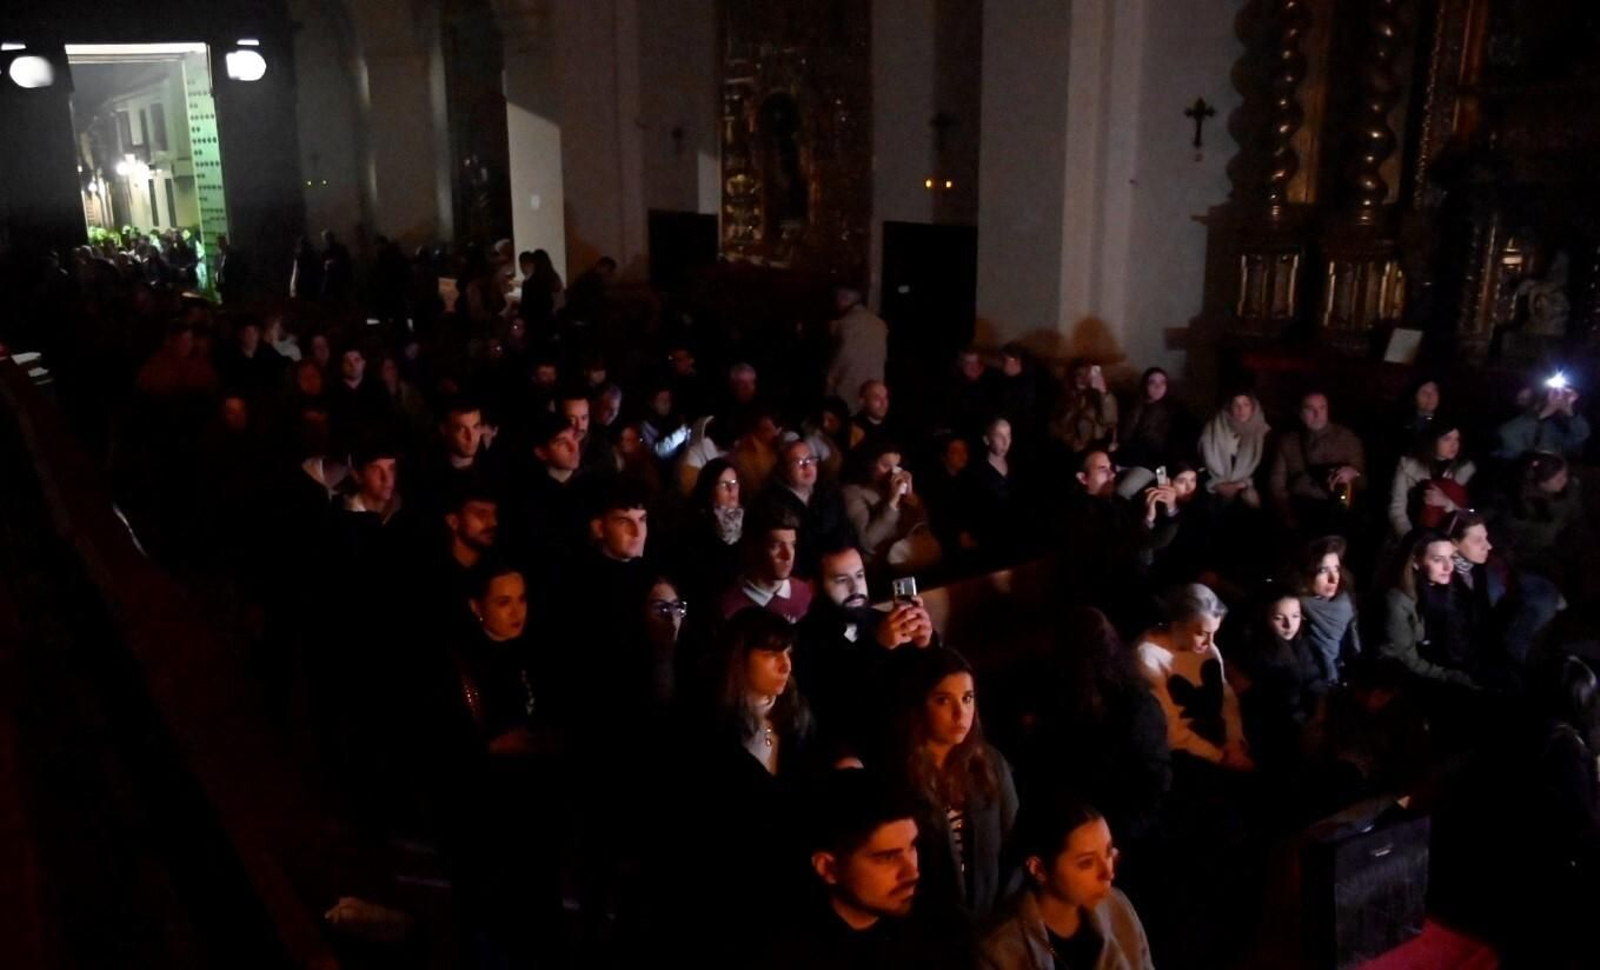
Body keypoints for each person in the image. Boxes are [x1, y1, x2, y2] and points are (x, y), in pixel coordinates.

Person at [768, 768, 969, 969]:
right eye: (888, 857)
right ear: (828, 868)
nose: (912, 872)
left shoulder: (941, 932)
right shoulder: (785, 952)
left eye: (912, 847)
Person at [1012, 608, 1171, 852]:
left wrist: (1111, 842)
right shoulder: (1050, 700)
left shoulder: (1134, 707)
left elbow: (1149, 785)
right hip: (1068, 825)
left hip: (1118, 831)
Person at [888, 648, 1019, 923]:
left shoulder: (989, 763)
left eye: (967, 698)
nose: (960, 713)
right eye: (943, 700)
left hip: (991, 924)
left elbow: (1014, 846)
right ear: (919, 705)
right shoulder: (899, 773)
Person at [979, 796, 1154, 970]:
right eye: (1086, 863)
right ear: (1038, 869)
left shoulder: (1118, 909)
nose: (1108, 873)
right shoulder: (1000, 949)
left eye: (1108, 852)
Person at [796, 544, 935, 756]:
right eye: (842, 581)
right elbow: (835, 707)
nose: (855, 589)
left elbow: (924, 682)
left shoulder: (885, 621)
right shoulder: (803, 639)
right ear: (815, 588)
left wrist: (925, 644)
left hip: (909, 743)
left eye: (860, 576)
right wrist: (877, 647)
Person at [1135, 584, 1252, 772]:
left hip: (1223, 744)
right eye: (1201, 634)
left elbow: (1227, 699)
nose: (1210, 642)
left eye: (1215, 633)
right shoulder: (1148, 656)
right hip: (1185, 755)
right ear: (1178, 623)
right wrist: (1220, 757)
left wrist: (1234, 741)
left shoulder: (1208, 649)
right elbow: (1170, 729)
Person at [1379, 530, 1490, 691]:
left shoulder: (1446, 588)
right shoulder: (1398, 602)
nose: (1448, 567)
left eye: (1451, 557)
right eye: (1438, 560)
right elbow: (1409, 661)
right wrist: (1453, 676)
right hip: (1404, 679)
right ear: (1415, 562)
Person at [1231, 590, 1326, 774]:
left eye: (1295, 616)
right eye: (1278, 618)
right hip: (1274, 734)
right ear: (1265, 618)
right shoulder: (1256, 652)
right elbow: (1264, 702)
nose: (1289, 624)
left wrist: (1319, 715)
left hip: (1303, 723)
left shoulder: (1301, 644)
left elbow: (1314, 682)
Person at [1268, 391, 1365, 536]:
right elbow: (1276, 485)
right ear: (1300, 413)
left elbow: (1363, 481)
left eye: (1322, 408)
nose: (1317, 414)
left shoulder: (1347, 439)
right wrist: (1288, 516)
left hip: (1334, 513)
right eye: (1310, 409)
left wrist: (1352, 473)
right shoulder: (1288, 442)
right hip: (1298, 510)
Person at [760, 437, 855, 576]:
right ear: (783, 468)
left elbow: (844, 529)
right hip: (804, 576)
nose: (807, 466)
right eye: (799, 462)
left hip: (838, 567)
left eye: (811, 459)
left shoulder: (829, 490)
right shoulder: (772, 503)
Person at [841, 439, 933, 571]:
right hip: (879, 565)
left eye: (896, 467)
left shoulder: (894, 486)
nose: (892, 473)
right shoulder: (852, 492)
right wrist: (893, 501)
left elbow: (923, 523)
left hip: (908, 558)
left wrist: (910, 496)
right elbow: (867, 541)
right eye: (885, 466)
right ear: (870, 463)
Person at [1497, 451, 1583, 588]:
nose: (1565, 481)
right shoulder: (1519, 509)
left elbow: (1575, 518)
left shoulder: (1569, 491)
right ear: (1541, 483)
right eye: (1558, 479)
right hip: (1533, 557)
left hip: (1563, 545)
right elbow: (1509, 545)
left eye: (1565, 475)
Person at [720, 507, 815, 622]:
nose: (788, 556)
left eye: (792, 545)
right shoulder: (730, 607)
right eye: (776, 546)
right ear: (754, 549)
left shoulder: (807, 595)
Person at [1388, 415, 1475, 538]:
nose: (1454, 445)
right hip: (1413, 532)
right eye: (1447, 439)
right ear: (1433, 440)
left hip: (1450, 537)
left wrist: (1447, 503)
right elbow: (1397, 509)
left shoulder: (1466, 469)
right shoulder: (1408, 464)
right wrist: (1411, 539)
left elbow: (1471, 515)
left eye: (1457, 439)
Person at [1296, 536, 1363, 687]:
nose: (1334, 578)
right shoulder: (1294, 612)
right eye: (1323, 571)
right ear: (1307, 573)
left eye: (1336, 569)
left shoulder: (1346, 602)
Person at [1199, 391, 1269, 508]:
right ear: (1229, 407)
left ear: (1253, 407)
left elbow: (1267, 472)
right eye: (1236, 404)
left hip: (1248, 497)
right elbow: (1199, 464)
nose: (1241, 409)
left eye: (1246, 404)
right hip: (1214, 497)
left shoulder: (1263, 433)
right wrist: (1216, 485)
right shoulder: (1212, 429)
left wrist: (1242, 485)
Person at [1119, 366, 1194, 475]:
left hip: (1157, 467)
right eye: (1152, 382)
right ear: (1145, 385)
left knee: (1126, 489)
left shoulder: (1174, 411)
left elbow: (1168, 450)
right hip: (1130, 461)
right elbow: (1126, 437)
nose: (1158, 387)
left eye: (1162, 383)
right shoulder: (1134, 407)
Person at [1496, 378, 1589, 459]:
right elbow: (1524, 459)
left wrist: (1569, 411)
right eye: (1523, 399)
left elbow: (1578, 438)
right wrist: (1544, 413)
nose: (1532, 403)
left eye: (1533, 397)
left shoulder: (1548, 426)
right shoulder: (1510, 428)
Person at [825, 285, 888, 403]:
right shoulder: (880, 324)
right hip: (874, 393)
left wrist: (830, 385)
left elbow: (839, 360)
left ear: (843, 299)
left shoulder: (842, 324)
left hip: (848, 392)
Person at [1050, 360, 1119, 456]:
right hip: (1067, 446)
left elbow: (1109, 420)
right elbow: (1055, 425)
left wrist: (1103, 392)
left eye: (1086, 375)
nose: (1082, 379)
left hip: (1093, 446)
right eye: (1078, 375)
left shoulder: (1101, 397)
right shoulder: (1066, 397)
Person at [849, 380, 901, 453]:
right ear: (862, 401)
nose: (883, 403)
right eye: (877, 398)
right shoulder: (852, 428)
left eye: (885, 397)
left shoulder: (895, 426)